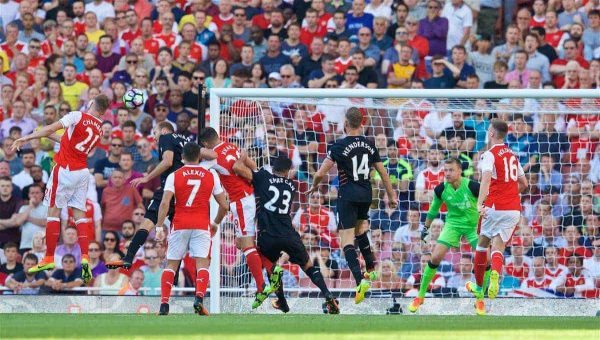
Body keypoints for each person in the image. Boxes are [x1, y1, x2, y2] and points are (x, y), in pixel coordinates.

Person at [11, 95, 108, 285]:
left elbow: (52, 128)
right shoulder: (99, 130)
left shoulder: (77, 115)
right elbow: (68, 142)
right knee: (80, 215)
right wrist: (46, 134)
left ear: (91, 104)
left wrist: (27, 138)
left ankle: (48, 257)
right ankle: (86, 257)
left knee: (53, 213)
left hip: (64, 169)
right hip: (82, 172)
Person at [308, 107, 398, 304]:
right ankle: (372, 270)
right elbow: (383, 173)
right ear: (362, 123)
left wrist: (314, 186)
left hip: (348, 194)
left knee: (346, 241)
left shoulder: (339, 146)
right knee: (360, 232)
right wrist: (391, 195)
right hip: (366, 194)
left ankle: (360, 282)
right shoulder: (370, 144)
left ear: (346, 124)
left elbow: (320, 173)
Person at [234, 155, 339, 314]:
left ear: (272, 167)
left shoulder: (263, 178)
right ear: (288, 171)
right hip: (289, 234)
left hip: (268, 234)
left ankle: (282, 301)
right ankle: (328, 295)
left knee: (270, 267)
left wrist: (242, 156)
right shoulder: (291, 185)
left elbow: (238, 168)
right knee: (308, 266)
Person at [106, 122, 216, 269]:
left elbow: (167, 161)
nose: (154, 138)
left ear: (164, 130)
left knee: (147, 223)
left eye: (155, 133)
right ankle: (175, 277)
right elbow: (212, 154)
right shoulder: (187, 141)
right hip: (184, 193)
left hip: (170, 189)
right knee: (176, 235)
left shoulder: (166, 137)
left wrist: (146, 178)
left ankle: (128, 257)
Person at [408, 157, 490, 313]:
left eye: (451, 170)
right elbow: (433, 210)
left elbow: (489, 198)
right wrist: (425, 228)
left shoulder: (473, 186)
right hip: (452, 225)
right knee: (435, 257)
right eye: (445, 170)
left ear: (460, 171)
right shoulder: (440, 190)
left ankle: (480, 299)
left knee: (487, 260)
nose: (447, 173)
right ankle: (420, 297)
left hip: (473, 226)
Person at [157, 142, 229, 316]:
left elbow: (165, 202)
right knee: (203, 263)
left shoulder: (174, 175)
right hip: (201, 224)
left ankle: (164, 305)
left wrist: (159, 226)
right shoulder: (211, 175)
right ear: (199, 157)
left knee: (172, 264)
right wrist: (216, 223)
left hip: (180, 223)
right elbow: (225, 205)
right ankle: (198, 299)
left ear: (182, 157)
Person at [466, 119, 528, 315]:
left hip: (494, 206)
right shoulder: (513, 155)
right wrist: (509, 194)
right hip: (513, 209)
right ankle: (494, 274)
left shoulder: (489, 155)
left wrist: (479, 203)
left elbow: (485, 180)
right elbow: (524, 184)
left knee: (482, 244)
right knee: (499, 247)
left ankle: (478, 286)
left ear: (492, 133)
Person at [198, 127, 267, 299]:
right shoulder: (232, 146)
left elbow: (199, 171)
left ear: (205, 144)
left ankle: (261, 286)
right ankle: (266, 279)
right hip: (252, 195)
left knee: (246, 244)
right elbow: (252, 165)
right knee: (245, 242)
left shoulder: (213, 158)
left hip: (241, 201)